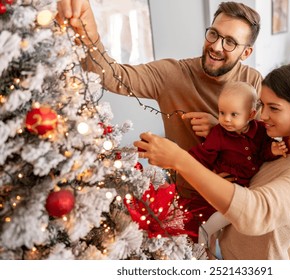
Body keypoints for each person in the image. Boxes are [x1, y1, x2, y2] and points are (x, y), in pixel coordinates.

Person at [56, 1, 262, 219]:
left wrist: (219, 127)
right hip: (188, 200)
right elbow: (112, 76)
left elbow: (259, 141)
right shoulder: (172, 74)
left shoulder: (252, 81)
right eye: (214, 34)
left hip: (236, 197)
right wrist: (88, 32)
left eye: (230, 42)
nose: (217, 46)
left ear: (246, 52)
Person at [134, 62, 290, 259]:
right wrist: (224, 131)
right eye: (262, 105)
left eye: (274, 108)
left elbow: (256, 213)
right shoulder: (276, 143)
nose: (263, 115)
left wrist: (180, 160)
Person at [186, 81, 287, 240]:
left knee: (237, 214)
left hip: (246, 188)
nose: (226, 119)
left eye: (234, 114)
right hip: (227, 183)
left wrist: (273, 150)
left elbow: (263, 152)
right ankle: (204, 231)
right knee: (216, 211)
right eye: (222, 113)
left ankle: (207, 234)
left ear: (251, 114)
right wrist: (192, 166)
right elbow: (204, 154)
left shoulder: (261, 130)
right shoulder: (218, 134)